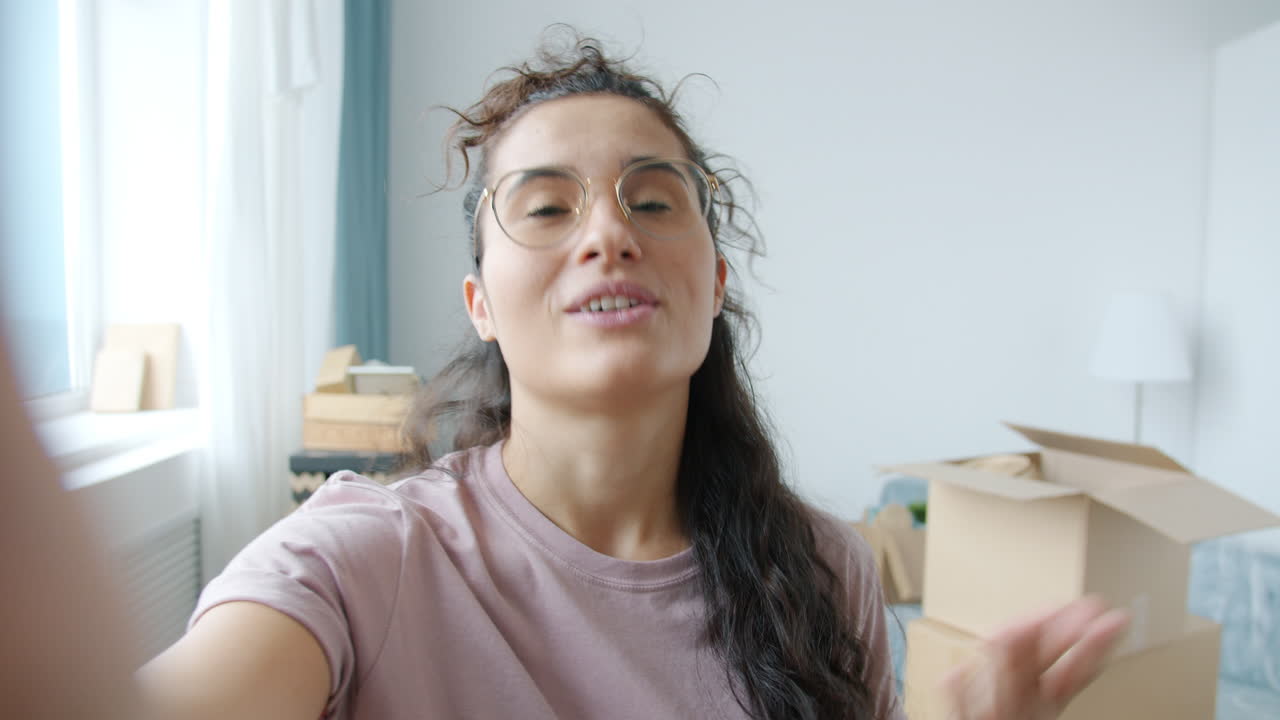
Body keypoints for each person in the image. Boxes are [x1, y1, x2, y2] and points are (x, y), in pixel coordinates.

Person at [1, 33, 1128, 720]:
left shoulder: (823, 568)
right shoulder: (361, 561)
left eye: (651, 200)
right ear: (480, 303)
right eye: (546, 207)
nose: (606, 234)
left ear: (715, 279)